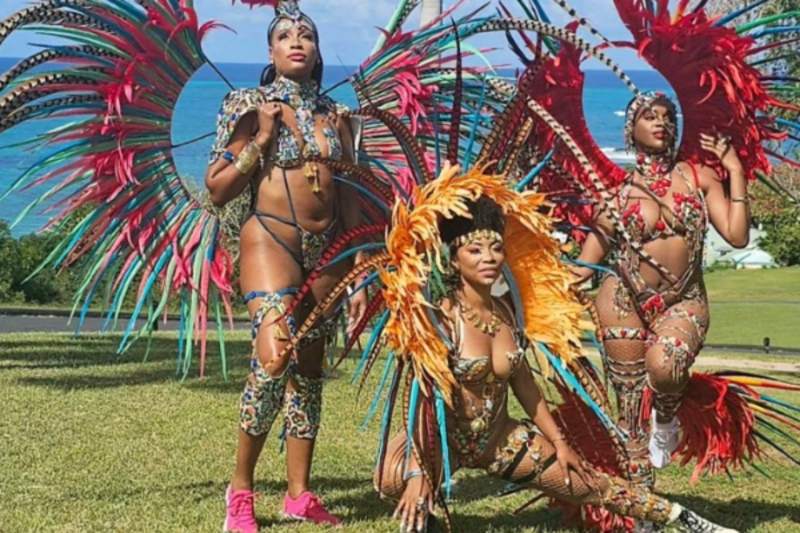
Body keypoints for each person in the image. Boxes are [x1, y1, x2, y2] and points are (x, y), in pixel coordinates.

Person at [204, 0, 367, 529]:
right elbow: (217, 189)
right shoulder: (248, 105)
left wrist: (360, 266)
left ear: (317, 53)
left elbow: (352, 197)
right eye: (285, 36)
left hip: (328, 251)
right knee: (274, 360)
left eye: (307, 35)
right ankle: (240, 491)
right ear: (271, 52)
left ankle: (299, 494)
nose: (297, 41)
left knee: (310, 373)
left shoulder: (337, 116)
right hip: (269, 241)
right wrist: (260, 140)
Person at [569, 91, 750, 484]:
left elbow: (737, 237)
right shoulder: (616, 192)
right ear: (630, 130)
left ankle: (666, 415)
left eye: (668, 116)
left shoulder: (699, 177)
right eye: (649, 116)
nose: (661, 122)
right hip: (622, 299)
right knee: (629, 408)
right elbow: (586, 263)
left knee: (665, 368)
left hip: (684, 299)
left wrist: (734, 170)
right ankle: (640, 502)